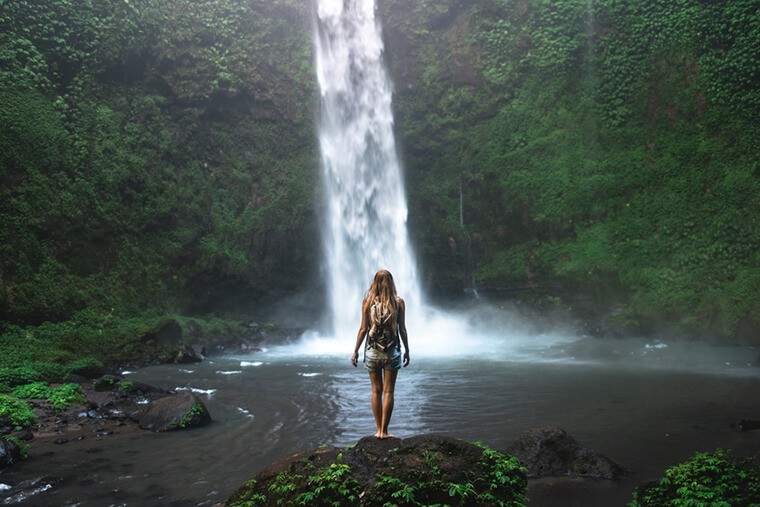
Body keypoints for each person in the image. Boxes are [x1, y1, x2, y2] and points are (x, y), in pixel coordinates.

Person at [351, 269, 410, 439]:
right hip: (392, 352)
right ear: (391, 283)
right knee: (389, 392)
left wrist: (355, 351)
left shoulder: (367, 302)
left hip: (372, 352)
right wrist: (407, 350)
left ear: (374, 283)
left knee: (375, 390)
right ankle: (385, 431)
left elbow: (363, 329)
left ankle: (377, 430)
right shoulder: (399, 302)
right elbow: (403, 330)